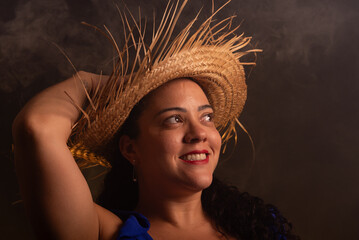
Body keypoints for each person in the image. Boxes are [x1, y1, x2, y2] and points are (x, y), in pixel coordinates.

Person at [12, 1, 299, 239]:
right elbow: (36, 128)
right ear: (130, 149)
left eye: (207, 117)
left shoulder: (259, 226)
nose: (199, 133)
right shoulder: (104, 232)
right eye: (174, 119)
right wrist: (89, 82)